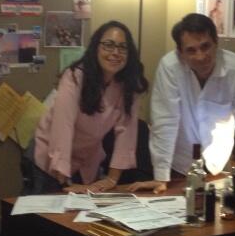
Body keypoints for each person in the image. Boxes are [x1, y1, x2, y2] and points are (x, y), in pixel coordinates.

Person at [128, 14, 235, 193]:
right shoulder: (170, 67)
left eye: (205, 46)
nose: (201, 56)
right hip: (178, 164)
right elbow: (165, 122)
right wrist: (160, 176)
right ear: (180, 52)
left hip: (218, 163)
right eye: (191, 50)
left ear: (216, 42)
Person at [21, 21, 147, 194]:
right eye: (108, 45)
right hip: (49, 156)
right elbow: (63, 126)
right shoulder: (75, 76)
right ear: (96, 48)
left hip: (86, 160)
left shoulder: (129, 84)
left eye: (122, 47)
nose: (115, 53)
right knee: (49, 208)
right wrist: (64, 180)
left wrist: (112, 179)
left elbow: (127, 131)